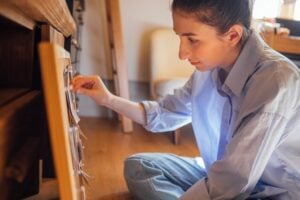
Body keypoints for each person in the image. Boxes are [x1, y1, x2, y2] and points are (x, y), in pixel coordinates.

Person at [72, 0, 300, 199]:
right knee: (140, 167)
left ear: (232, 35)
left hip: (272, 191)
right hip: (220, 175)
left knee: (221, 185)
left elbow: (234, 180)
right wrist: (108, 99)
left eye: (192, 40)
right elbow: (162, 114)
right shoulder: (208, 71)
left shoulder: (275, 81)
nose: (182, 54)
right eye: (180, 38)